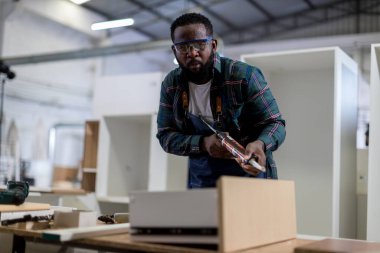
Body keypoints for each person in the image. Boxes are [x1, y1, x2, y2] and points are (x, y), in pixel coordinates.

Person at [156, 13, 286, 188]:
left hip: (251, 177)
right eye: (183, 47)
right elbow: (165, 136)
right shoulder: (171, 85)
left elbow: (275, 123)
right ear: (174, 51)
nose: (192, 53)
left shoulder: (244, 76)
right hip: (202, 182)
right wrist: (203, 143)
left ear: (213, 45)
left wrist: (260, 144)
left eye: (200, 44)